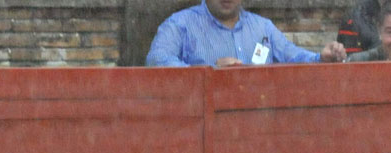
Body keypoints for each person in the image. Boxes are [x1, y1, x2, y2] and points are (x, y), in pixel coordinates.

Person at [146, 0, 346, 67]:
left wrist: (321, 58)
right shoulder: (179, 24)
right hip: (201, 129)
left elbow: (293, 56)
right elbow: (156, 60)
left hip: (257, 127)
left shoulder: (263, 27)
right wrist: (209, 73)